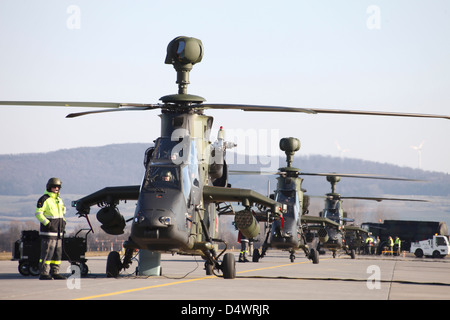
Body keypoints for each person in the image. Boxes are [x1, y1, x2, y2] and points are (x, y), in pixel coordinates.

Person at [35, 177, 67, 280]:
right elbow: (38, 214)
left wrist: (64, 223)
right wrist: (48, 224)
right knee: (47, 254)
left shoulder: (59, 200)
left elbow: (62, 214)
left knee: (57, 255)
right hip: (49, 233)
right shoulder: (44, 199)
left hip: (58, 232)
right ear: (49, 187)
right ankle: (44, 273)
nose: (56, 188)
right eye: (54, 187)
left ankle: (55, 272)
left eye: (58, 187)